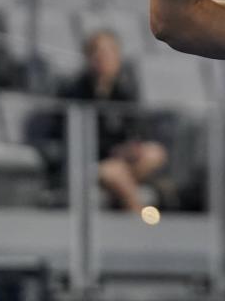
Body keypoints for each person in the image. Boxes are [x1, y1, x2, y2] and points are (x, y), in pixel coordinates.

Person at [61, 30, 167, 212]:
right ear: (90, 57)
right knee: (116, 172)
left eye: (111, 53)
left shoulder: (124, 91)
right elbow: (72, 134)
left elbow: (135, 126)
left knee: (155, 153)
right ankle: (141, 218)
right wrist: (113, 151)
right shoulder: (75, 91)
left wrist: (134, 147)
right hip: (91, 160)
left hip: (122, 159)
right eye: (100, 53)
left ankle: (124, 191)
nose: (105, 58)